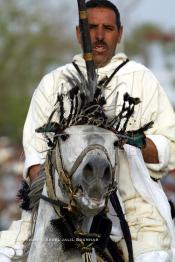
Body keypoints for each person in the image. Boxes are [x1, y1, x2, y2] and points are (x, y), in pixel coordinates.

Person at [0, 0, 175, 261]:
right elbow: (35, 159)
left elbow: (169, 148)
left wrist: (135, 141)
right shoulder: (52, 83)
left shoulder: (143, 80)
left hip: (135, 211)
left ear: (120, 33)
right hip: (60, 212)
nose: (100, 36)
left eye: (108, 28)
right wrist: (65, 207)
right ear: (78, 33)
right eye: (92, 27)